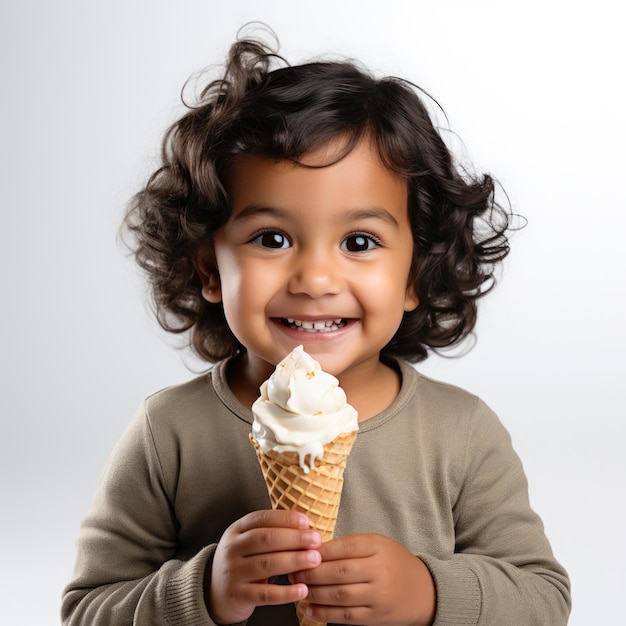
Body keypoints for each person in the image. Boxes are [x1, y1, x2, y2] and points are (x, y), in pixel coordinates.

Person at [62, 27, 571, 626]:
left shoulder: (463, 435)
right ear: (210, 268)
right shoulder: (168, 434)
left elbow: (542, 599)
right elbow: (88, 609)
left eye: (359, 241)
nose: (315, 277)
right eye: (271, 238)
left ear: (415, 273)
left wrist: (430, 593)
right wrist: (202, 592)